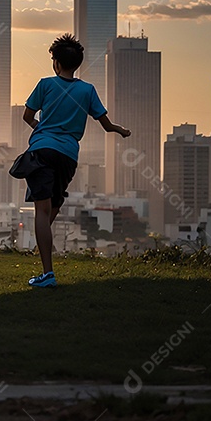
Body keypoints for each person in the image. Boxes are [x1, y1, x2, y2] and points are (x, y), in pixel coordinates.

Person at [21, 33, 130, 288]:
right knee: (54, 204)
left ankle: (47, 273)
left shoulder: (45, 84)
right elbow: (105, 124)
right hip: (68, 155)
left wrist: (41, 127)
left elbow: (27, 116)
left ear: (56, 63)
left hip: (42, 150)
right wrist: (120, 130)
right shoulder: (87, 90)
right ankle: (43, 241)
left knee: (42, 210)